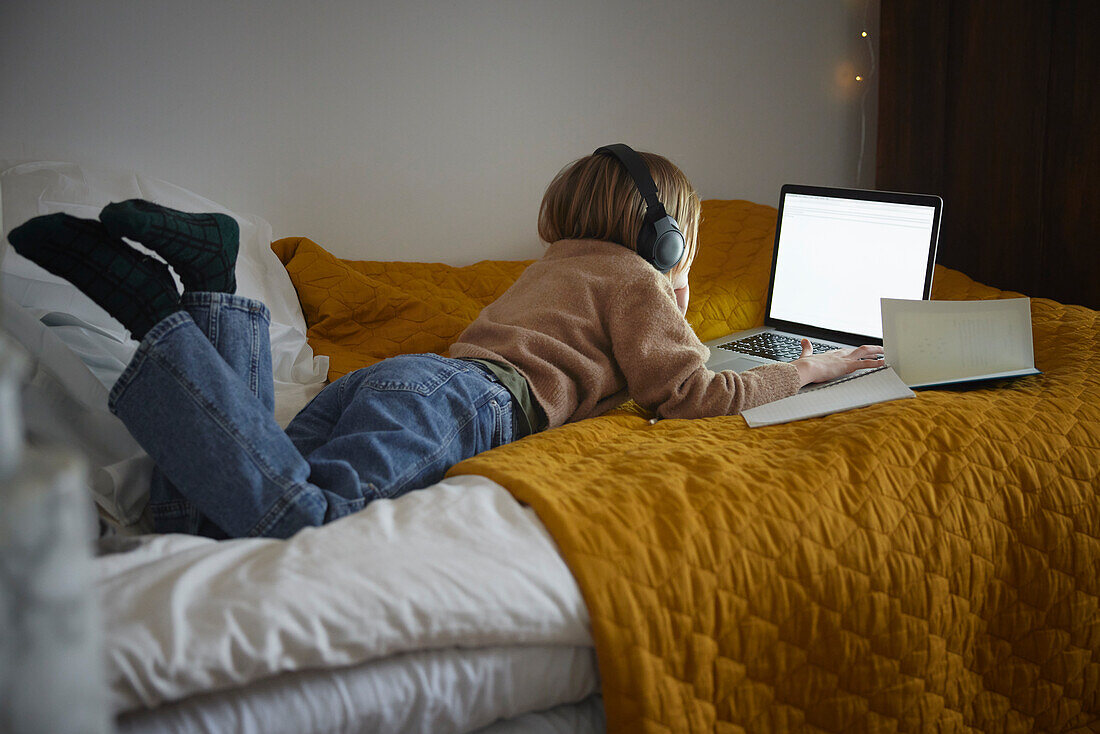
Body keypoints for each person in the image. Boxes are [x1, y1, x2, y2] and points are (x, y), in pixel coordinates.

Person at [7, 146, 883, 539]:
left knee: (204, 509)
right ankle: (162, 316)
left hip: (410, 382)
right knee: (300, 524)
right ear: (665, 243)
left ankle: (206, 289)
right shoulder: (639, 280)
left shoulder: (558, 266)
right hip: (466, 405)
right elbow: (686, 390)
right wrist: (814, 368)